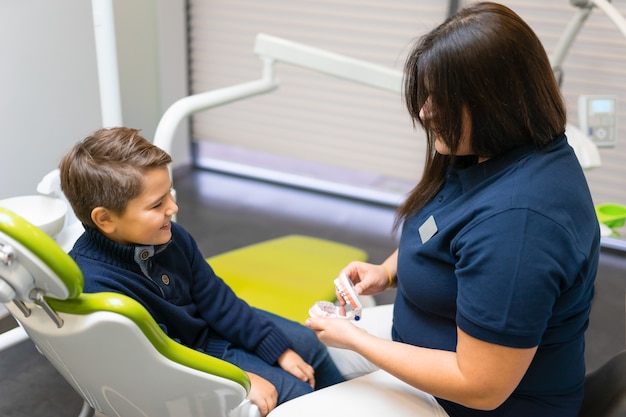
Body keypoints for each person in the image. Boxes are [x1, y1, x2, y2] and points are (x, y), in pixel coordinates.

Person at [297, 3, 600, 417]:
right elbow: (445, 229)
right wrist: (386, 272)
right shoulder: (491, 155)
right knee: (303, 347)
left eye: (441, 100)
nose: (425, 111)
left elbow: (480, 387)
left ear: (497, 102)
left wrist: (355, 339)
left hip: (469, 403)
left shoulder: (518, 226)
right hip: (424, 348)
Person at [58, 127, 344, 416]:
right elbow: (161, 361)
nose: (173, 207)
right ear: (105, 219)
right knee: (295, 394)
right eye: (157, 204)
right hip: (188, 362)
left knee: (311, 345)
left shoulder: (174, 238)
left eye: (168, 193)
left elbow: (218, 300)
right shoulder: (98, 286)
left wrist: (275, 348)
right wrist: (239, 381)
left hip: (210, 335)